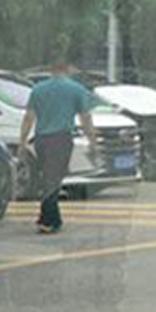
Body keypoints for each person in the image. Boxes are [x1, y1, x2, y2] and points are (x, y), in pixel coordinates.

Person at [20, 58, 99, 233]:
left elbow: (29, 117)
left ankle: (50, 218)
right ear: (67, 69)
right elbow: (85, 117)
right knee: (54, 179)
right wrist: (92, 140)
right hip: (61, 138)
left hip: (41, 139)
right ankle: (48, 220)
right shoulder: (75, 89)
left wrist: (22, 141)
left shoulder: (38, 89)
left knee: (48, 177)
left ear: (51, 70)